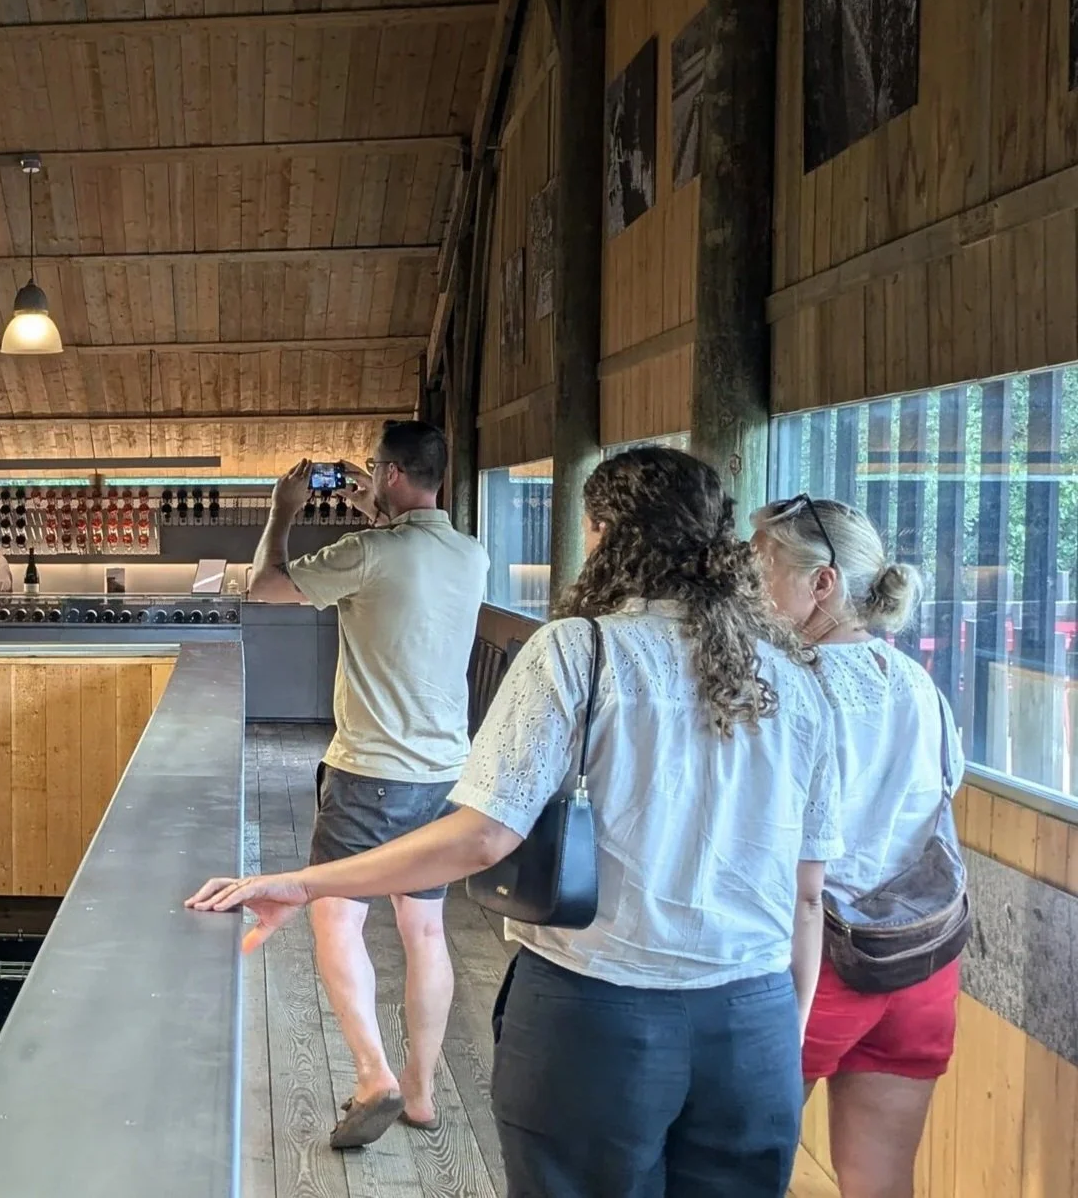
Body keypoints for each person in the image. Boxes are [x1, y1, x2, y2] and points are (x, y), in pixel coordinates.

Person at [192, 447, 843, 1195]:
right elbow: (807, 893)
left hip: (598, 1012)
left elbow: (483, 837)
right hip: (753, 1021)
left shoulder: (579, 650)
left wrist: (303, 881)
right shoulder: (794, 675)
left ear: (600, 533)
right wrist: (781, 1043)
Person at [242, 419, 489, 1148]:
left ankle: (372, 1071)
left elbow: (267, 586)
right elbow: (405, 562)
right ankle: (420, 1091)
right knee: (424, 929)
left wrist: (282, 512)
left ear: (387, 474)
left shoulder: (370, 553)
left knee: (334, 916)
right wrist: (377, 511)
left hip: (369, 772)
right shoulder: (471, 555)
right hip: (446, 773)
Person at [752, 495, 963, 1198]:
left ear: (823, 584)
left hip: (811, 968)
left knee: (737, 1172)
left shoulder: (786, 686)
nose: (751, 588)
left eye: (763, 569)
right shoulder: (920, 684)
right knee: (881, 1182)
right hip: (919, 965)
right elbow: (945, 787)